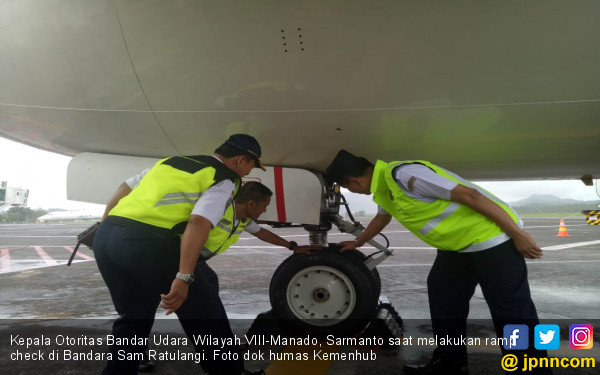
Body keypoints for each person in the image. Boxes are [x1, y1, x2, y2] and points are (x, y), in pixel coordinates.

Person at [325, 150, 551, 375]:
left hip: (491, 241)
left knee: (511, 313)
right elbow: (383, 216)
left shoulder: (404, 175)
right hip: (456, 248)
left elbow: (471, 196)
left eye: (349, 188)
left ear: (354, 181)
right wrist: (358, 242)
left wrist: (516, 234)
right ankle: (450, 363)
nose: (353, 191)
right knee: (445, 300)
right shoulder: (384, 189)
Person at [94, 134, 280, 375]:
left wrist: (105, 225)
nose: (248, 173)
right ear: (241, 160)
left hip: (106, 239)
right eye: (252, 166)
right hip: (150, 244)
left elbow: (125, 187)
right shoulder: (225, 178)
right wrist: (184, 277)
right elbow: (199, 222)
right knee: (207, 316)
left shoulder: (170, 162)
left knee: (134, 316)